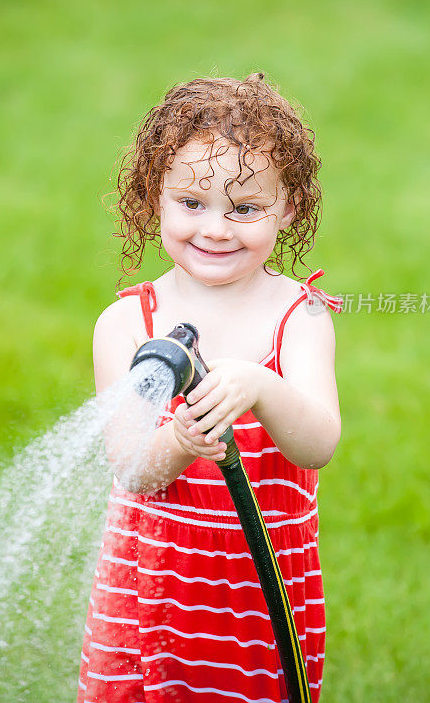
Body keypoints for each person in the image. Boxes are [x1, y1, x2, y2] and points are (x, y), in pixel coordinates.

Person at [77, 72, 342, 703]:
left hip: (259, 577)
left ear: (289, 208)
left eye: (245, 208)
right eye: (192, 204)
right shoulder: (127, 324)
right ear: (155, 199)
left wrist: (261, 386)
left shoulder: (299, 316)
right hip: (154, 579)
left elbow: (318, 445)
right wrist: (182, 438)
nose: (217, 229)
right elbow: (133, 467)